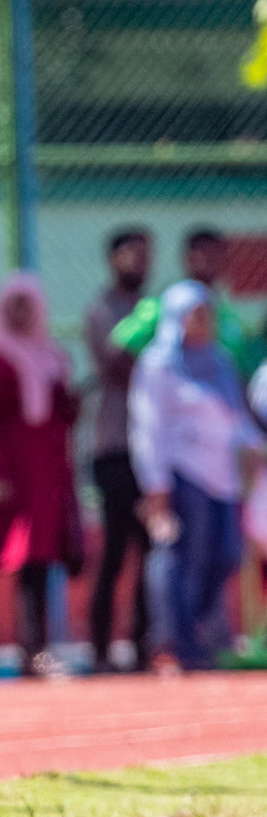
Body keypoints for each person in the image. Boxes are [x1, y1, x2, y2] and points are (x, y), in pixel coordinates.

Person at [129, 281, 264, 670]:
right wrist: (156, 485)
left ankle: (198, 629)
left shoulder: (219, 361)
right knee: (179, 558)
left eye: (206, 312)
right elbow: (148, 427)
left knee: (224, 554)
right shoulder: (158, 364)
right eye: (194, 313)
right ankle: (174, 642)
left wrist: (254, 444)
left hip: (223, 477)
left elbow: (234, 416)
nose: (201, 321)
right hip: (182, 473)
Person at [0, 273, 82, 677]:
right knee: (18, 556)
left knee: (43, 558)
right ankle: (26, 647)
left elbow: (61, 418)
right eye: (12, 303)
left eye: (26, 304)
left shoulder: (51, 355)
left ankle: (39, 647)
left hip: (46, 474)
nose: (20, 313)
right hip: (14, 471)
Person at [85, 228, 153, 672]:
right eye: (130, 254)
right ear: (112, 259)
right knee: (114, 551)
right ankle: (100, 647)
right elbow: (117, 366)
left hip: (156, 452)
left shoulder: (156, 310)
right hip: (115, 447)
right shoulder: (100, 311)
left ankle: (147, 646)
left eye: (146, 255)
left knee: (152, 552)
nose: (140, 262)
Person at [111, 227, 253, 373]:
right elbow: (119, 350)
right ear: (188, 258)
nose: (210, 260)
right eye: (203, 253)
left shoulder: (228, 318)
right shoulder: (163, 306)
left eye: (216, 255)